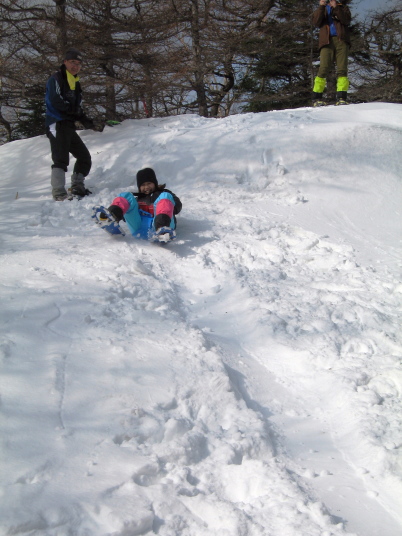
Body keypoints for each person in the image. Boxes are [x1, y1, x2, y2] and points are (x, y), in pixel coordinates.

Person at [45, 48, 98, 201]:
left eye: (79, 64)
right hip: (56, 122)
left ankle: (77, 186)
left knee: (84, 157)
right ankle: (59, 192)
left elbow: (76, 106)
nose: (75, 66)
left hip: (68, 125)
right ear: (65, 62)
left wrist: (85, 119)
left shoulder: (75, 82)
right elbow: (55, 101)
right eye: (73, 62)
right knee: (60, 158)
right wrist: (73, 111)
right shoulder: (56, 78)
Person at [102, 167, 182, 241]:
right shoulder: (137, 200)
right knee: (127, 196)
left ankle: (162, 228)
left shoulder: (163, 193)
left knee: (166, 196)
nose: (146, 187)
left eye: (149, 183)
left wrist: (168, 208)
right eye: (143, 185)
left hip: (162, 225)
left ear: (155, 183)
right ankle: (112, 215)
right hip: (139, 227)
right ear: (139, 187)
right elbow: (128, 215)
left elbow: (178, 204)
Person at [312, 0, 352, 106]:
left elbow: (346, 20)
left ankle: (342, 97)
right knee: (323, 68)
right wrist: (321, 7)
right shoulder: (322, 8)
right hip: (326, 41)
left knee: (342, 69)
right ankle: (317, 97)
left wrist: (336, 8)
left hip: (341, 41)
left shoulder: (342, 7)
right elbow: (316, 22)